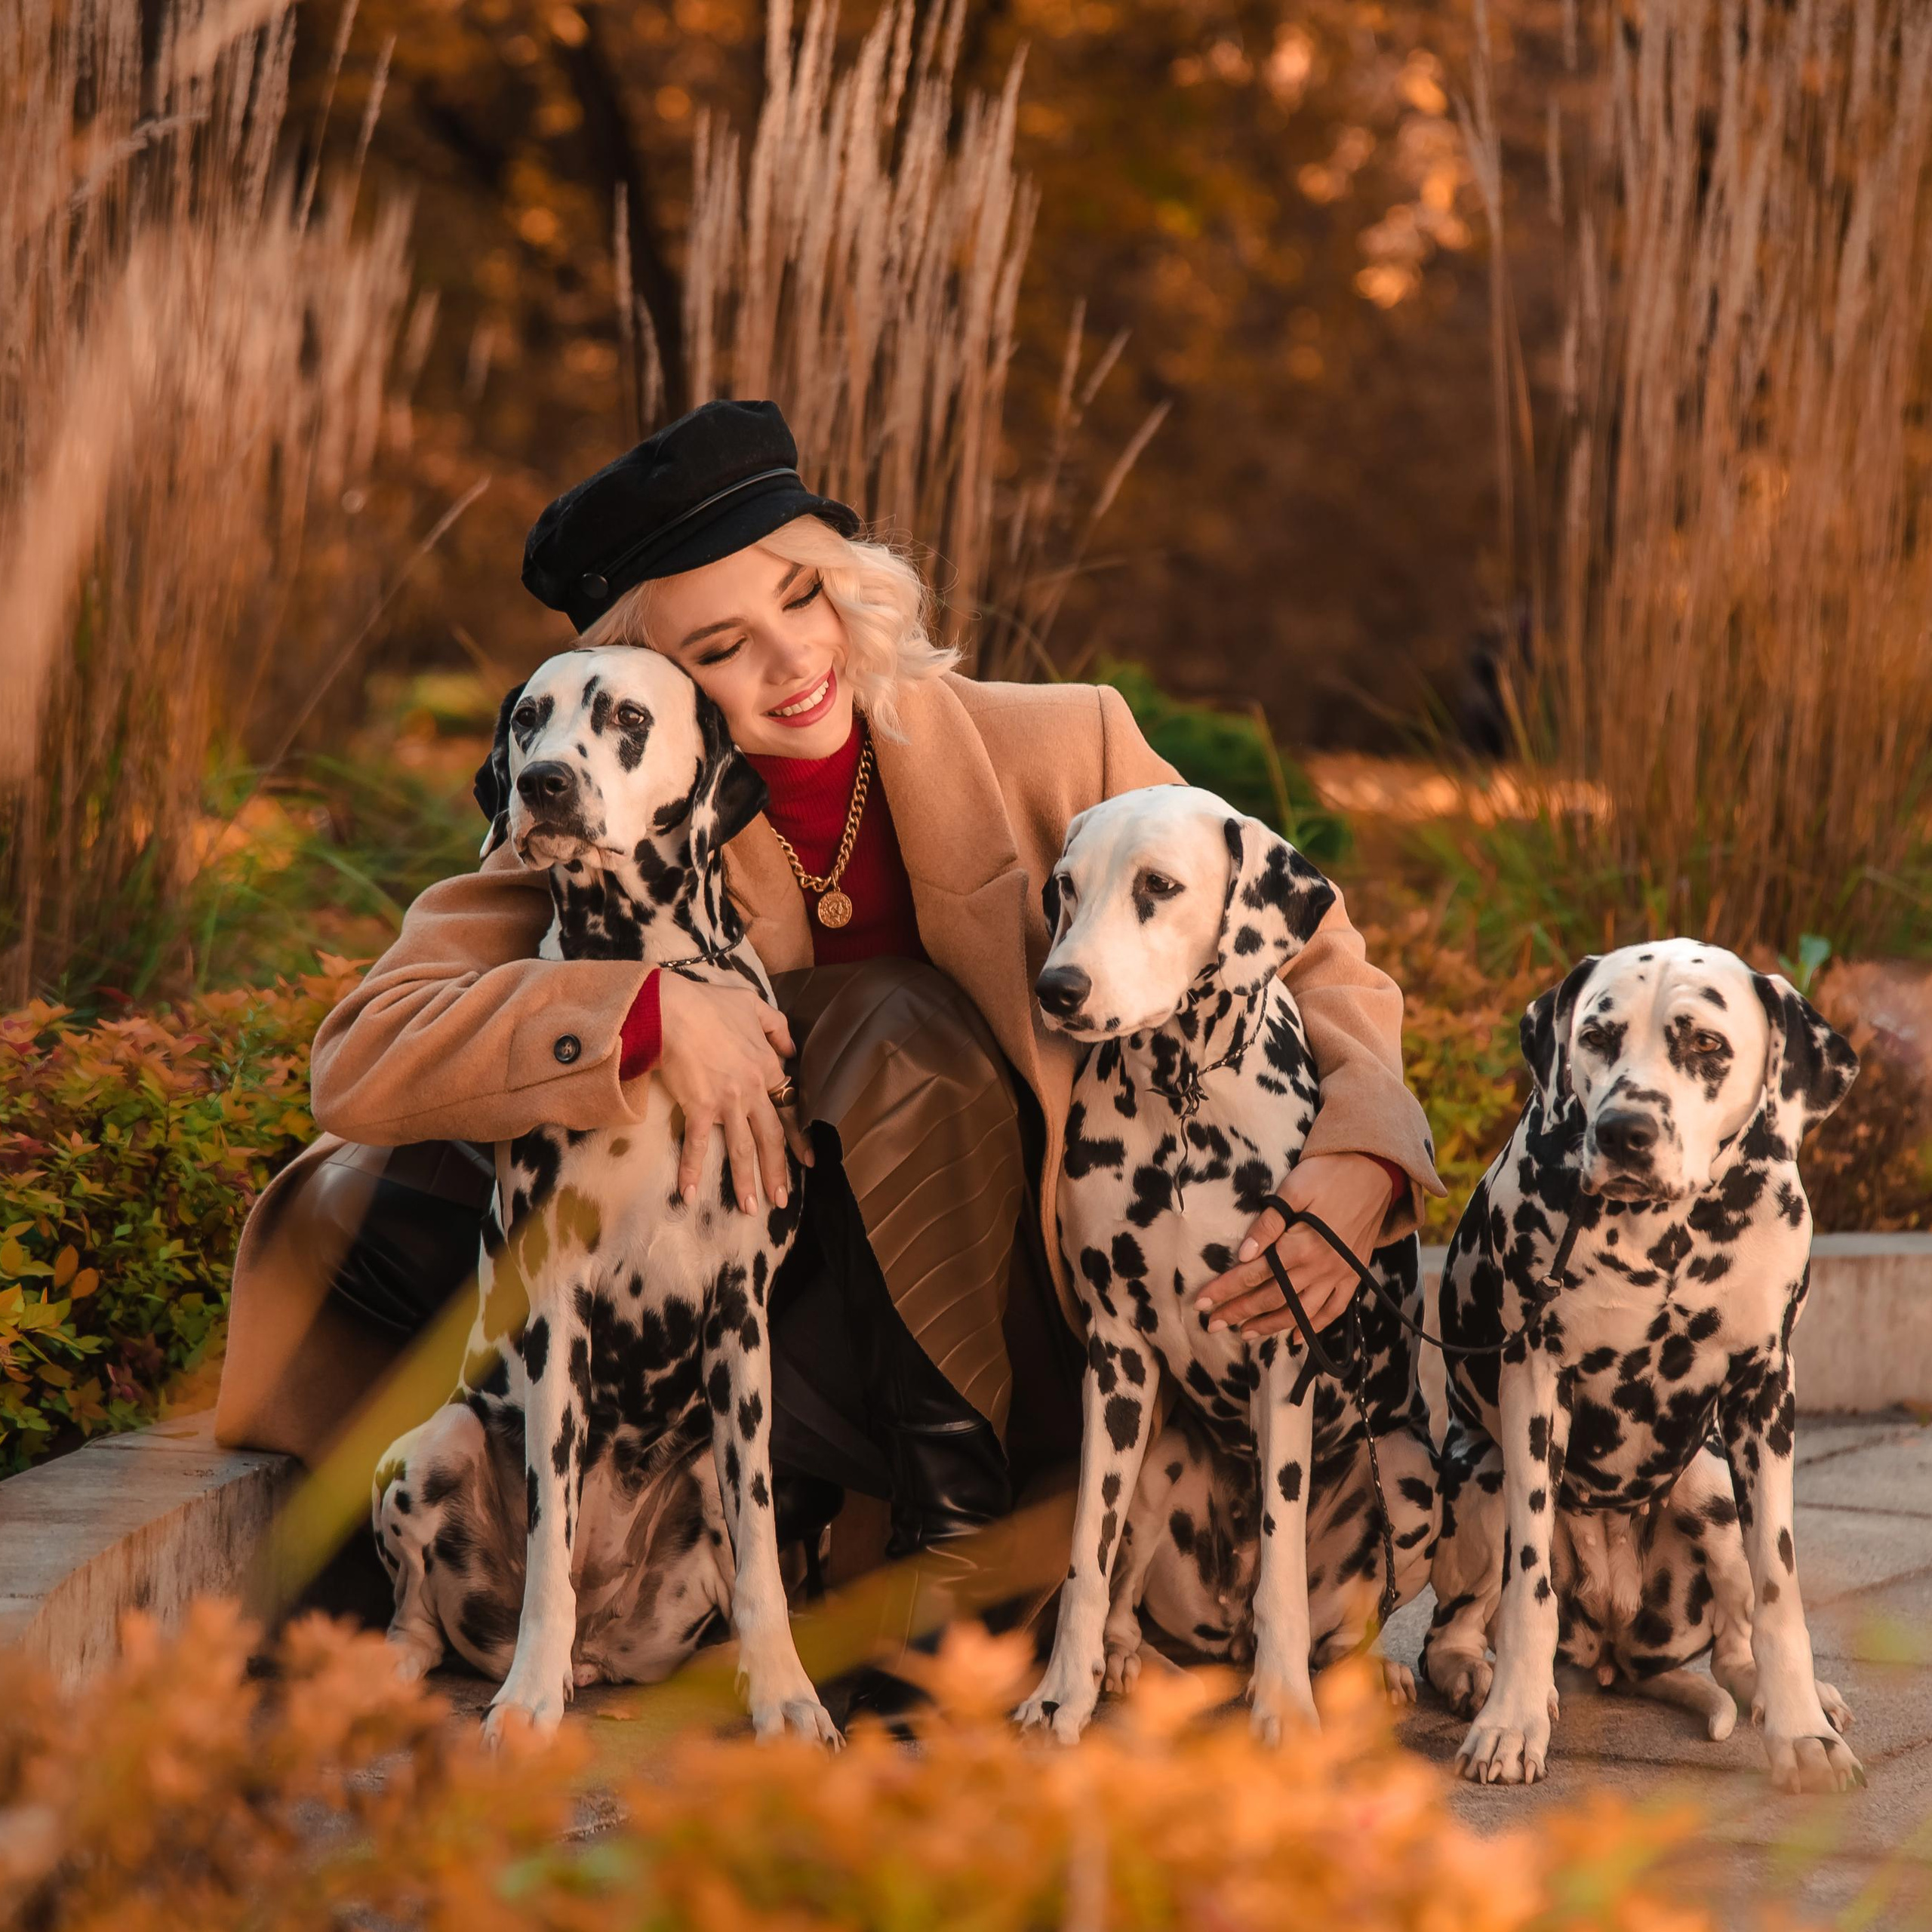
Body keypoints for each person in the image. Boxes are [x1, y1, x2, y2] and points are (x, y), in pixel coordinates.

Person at [214, 398, 1444, 1580]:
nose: (793, 654)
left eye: (800, 593)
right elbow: (364, 1056)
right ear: (658, 688)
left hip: (1055, 1304)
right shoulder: (619, 826)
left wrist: (1364, 1156)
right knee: (387, 1191)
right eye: (718, 647)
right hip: (784, 1324)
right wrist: (645, 1015)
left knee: (902, 1021)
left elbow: (1316, 951)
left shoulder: (1071, 744)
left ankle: (959, 1542)